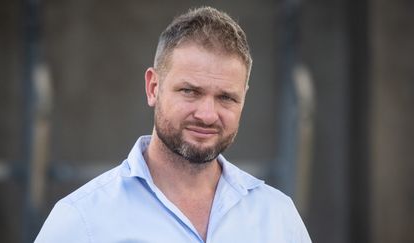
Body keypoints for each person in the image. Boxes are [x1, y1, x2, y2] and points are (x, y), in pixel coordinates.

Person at [35, 6, 311, 243]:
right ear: (153, 87)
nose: (207, 114)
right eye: (190, 91)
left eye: (226, 97)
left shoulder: (279, 218)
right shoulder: (81, 221)